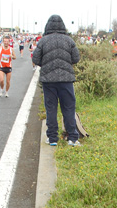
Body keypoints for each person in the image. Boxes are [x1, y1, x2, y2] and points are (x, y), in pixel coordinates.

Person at [32, 14, 81, 147]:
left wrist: (46, 64)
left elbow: (35, 59)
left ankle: (52, 138)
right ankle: (72, 138)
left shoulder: (43, 40)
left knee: (51, 108)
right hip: (66, 80)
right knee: (69, 108)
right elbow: (76, 58)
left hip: (48, 80)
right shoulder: (69, 40)